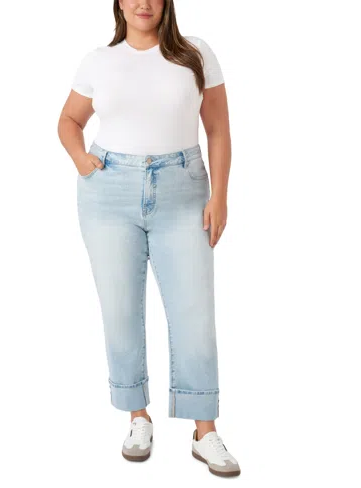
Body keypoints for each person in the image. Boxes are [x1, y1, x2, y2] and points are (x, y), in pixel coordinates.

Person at [57, 0, 240, 477]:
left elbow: (218, 129)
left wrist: (220, 196)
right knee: (120, 309)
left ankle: (205, 430)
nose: (143, 3)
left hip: (184, 191)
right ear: (118, 2)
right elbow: (68, 121)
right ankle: (138, 417)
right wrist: (81, 160)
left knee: (195, 313)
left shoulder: (195, 54)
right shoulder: (99, 60)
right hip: (108, 193)